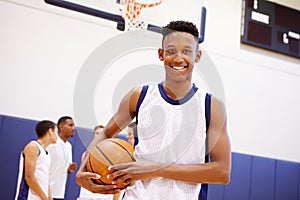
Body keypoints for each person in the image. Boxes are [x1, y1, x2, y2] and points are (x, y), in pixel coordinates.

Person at [76, 20, 231, 199]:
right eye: (171, 50)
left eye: (186, 51)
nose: (178, 58)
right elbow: (104, 134)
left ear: (197, 56)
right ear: (161, 54)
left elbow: (222, 172)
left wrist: (155, 169)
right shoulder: (139, 96)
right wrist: (82, 169)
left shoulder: (211, 106)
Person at [15, 120, 58, 200]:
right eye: (56, 132)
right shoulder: (33, 147)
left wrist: (49, 197)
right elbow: (29, 177)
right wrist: (44, 198)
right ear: (50, 131)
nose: (57, 136)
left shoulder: (47, 154)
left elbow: (45, 179)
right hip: (28, 197)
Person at [78, 125, 120, 200]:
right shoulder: (86, 154)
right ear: (94, 135)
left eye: (102, 134)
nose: (99, 136)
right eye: (97, 133)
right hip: (87, 195)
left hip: (105, 195)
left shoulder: (113, 155)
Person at [46, 116, 77, 200]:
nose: (73, 128)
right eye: (70, 125)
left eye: (74, 125)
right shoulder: (51, 143)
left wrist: (69, 169)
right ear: (61, 127)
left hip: (59, 193)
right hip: (46, 192)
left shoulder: (69, 146)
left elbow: (64, 168)